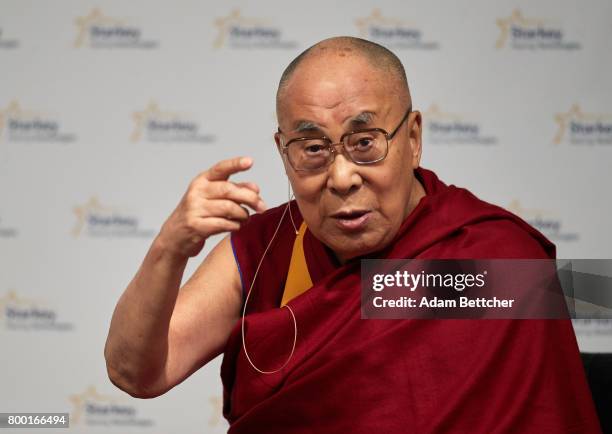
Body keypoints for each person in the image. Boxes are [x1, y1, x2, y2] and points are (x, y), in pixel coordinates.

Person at [104, 37, 602, 433]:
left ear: (412, 138)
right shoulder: (266, 245)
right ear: (283, 153)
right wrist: (170, 247)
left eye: (365, 143)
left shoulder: (493, 256)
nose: (341, 177)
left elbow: (590, 294)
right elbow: (137, 374)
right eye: (313, 148)